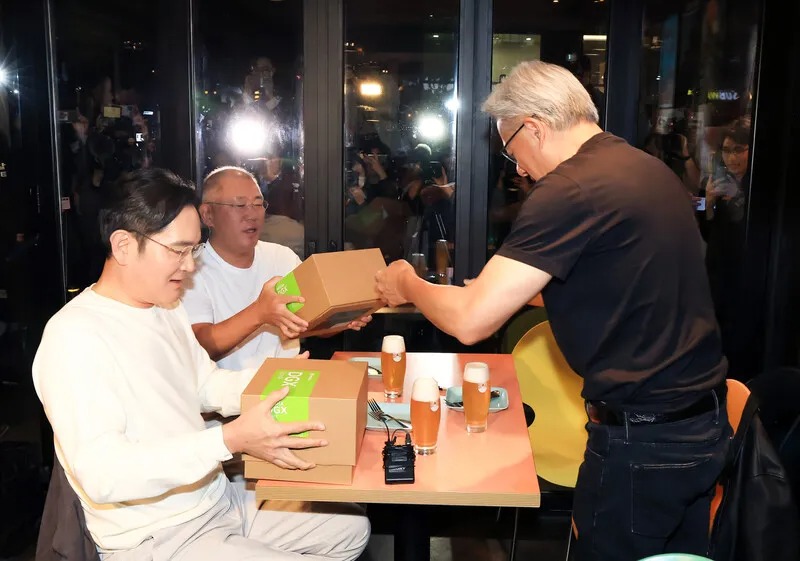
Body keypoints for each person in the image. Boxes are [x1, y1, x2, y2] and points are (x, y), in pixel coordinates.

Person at [375, 60, 730, 561]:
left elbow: (471, 323)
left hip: (643, 439)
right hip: (702, 423)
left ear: (535, 127)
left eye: (511, 148)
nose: (518, 168)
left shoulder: (568, 189)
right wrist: (512, 292)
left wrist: (407, 283)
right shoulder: (644, 169)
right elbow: (627, 281)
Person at [32, 168, 370, 560]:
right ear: (123, 246)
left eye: (193, 250)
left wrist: (282, 383)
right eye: (177, 251)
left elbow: (205, 385)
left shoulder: (165, 308)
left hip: (216, 501)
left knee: (350, 530)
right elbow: (103, 474)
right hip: (159, 536)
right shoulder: (75, 336)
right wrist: (228, 440)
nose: (190, 266)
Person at [183, 166, 370, 372]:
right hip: (230, 391)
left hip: (288, 381)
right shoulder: (190, 269)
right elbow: (197, 346)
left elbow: (309, 323)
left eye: (258, 204)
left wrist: (342, 318)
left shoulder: (282, 257)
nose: (252, 214)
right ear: (208, 215)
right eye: (240, 205)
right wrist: (259, 312)